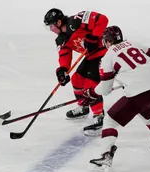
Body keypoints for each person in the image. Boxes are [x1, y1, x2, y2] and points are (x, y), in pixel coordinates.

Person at [80, 25, 150, 172]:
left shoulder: (108, 56)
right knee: (147, 113)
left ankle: (106, 156)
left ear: (107, 41)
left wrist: (91, 92)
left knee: (110, 120)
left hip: (140, 93)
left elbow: (105, 89)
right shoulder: (134, 43)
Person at [43, 8, 109, 136]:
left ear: (58, 22)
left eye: (51, 26)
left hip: (105, 52)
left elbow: (102, 19)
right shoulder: (61, 39)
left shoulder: (76, 21)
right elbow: (64, 54)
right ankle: (83, 107)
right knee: (76, 79)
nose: (51, 30)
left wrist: (93, 37)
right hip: (91, 55)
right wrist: (62, 70)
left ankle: (99, 116)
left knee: (90, 83)